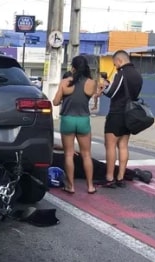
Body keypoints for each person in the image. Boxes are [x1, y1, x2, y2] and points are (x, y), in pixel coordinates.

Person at [53, 55, 98, 194]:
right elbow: (91, 96)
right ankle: (90, 186)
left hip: (68, 119)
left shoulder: (65, 82)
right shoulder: (91, 83)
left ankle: (70, 186)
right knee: (86, 154)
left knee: (68, 154)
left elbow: (55, 102)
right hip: (83, 120)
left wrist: (64, 98)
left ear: (73, 67)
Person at [102, 50, 143, 188]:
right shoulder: (138, 74)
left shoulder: (122, 73)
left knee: (110, 145)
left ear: (119, 60)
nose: (115, 66)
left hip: (117, 112)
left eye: (115, 64)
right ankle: (120, 177)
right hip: (130, 115)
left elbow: (112, 92)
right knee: (123, 146)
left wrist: (104, 88)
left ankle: (109, 177)